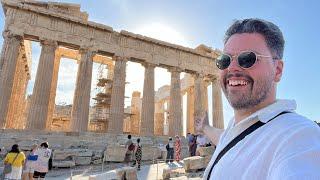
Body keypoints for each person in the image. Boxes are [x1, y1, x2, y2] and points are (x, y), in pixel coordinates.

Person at [195, 18, 320, 179]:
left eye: (247, 58)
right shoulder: (238, 127)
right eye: (224, 60)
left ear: (277, 70)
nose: (232, 68)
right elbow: (224, 138)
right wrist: (205, 127)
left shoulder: (298, 136)